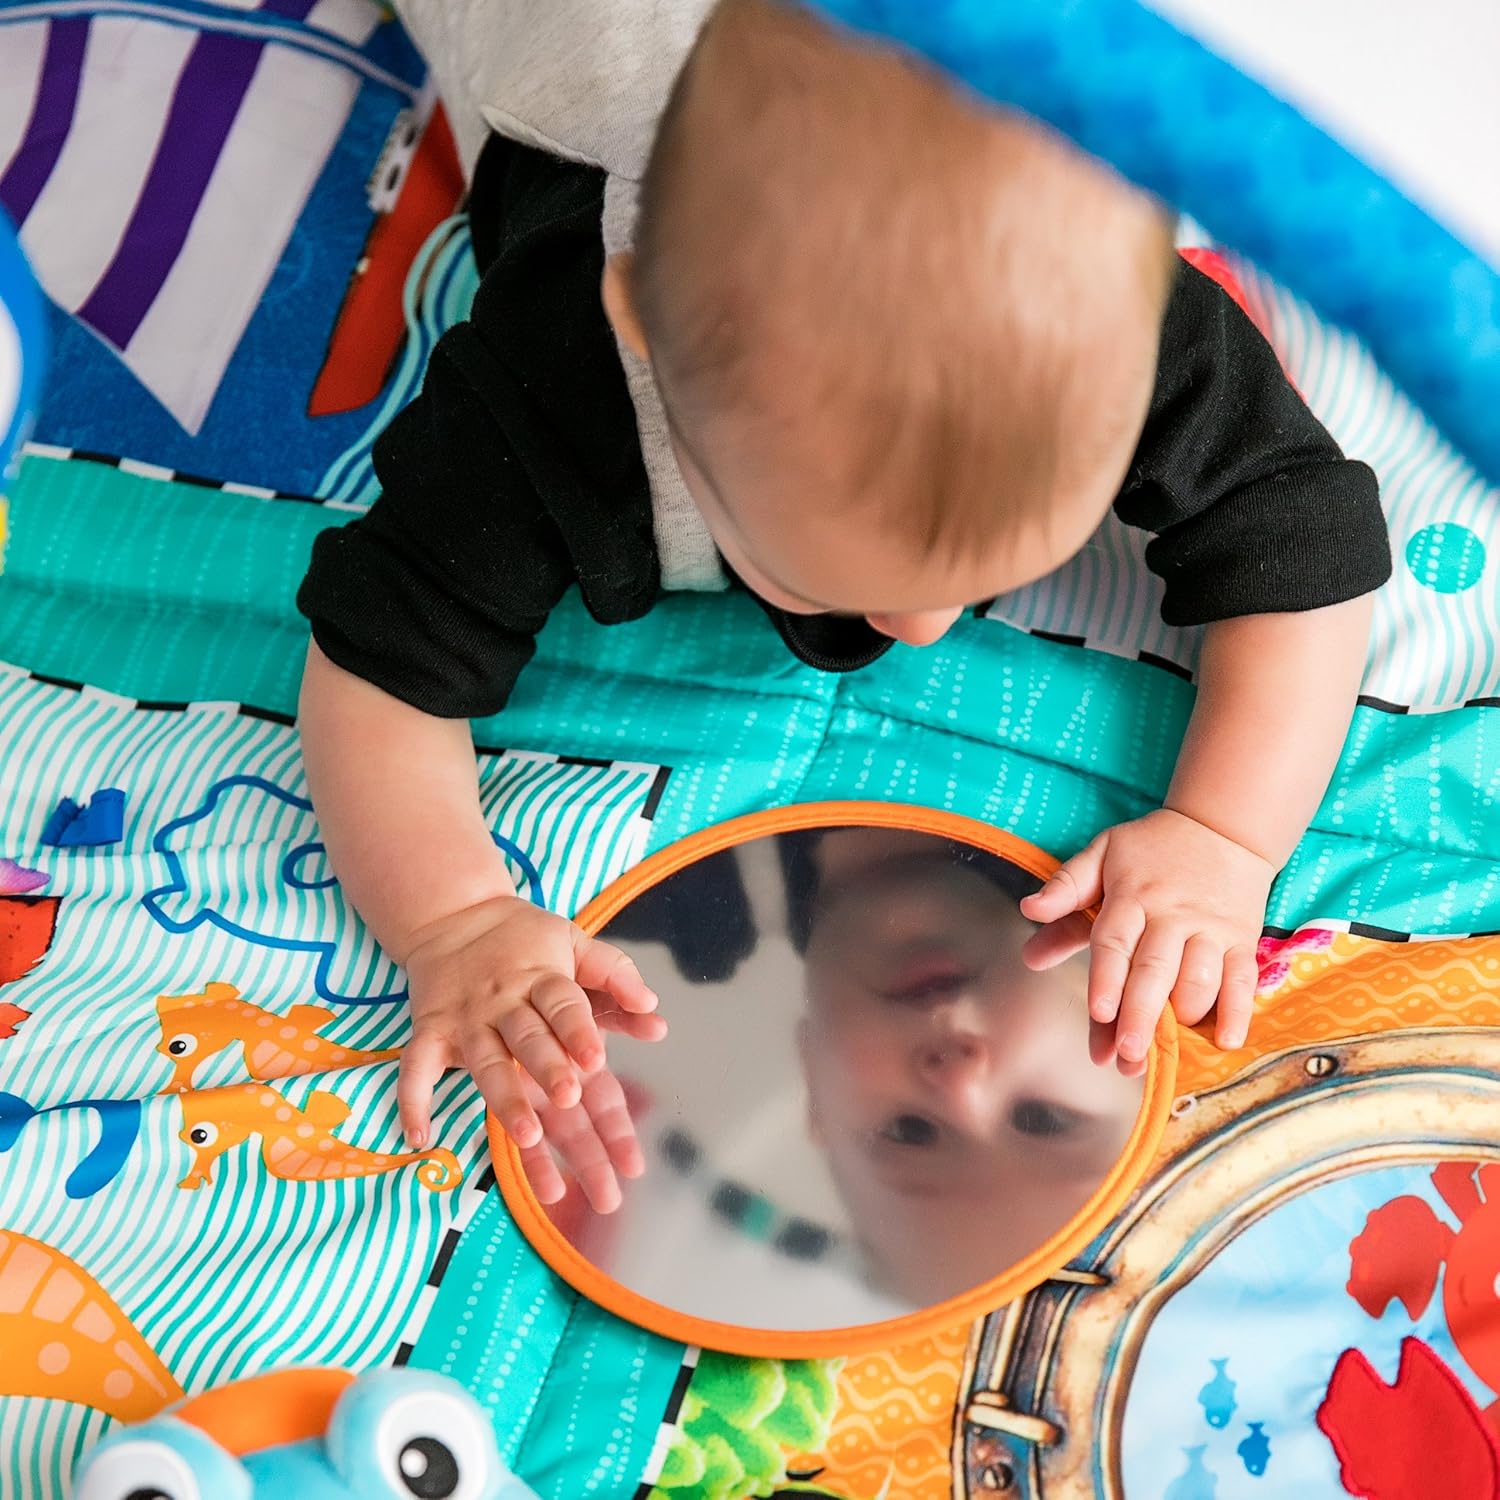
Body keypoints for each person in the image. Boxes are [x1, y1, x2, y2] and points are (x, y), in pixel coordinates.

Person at [294, 0, 1390, 1190]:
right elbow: (375, 676)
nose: (920, 633)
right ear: (642, 328)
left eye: (997, 566)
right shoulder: (553, 394)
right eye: (832, 580)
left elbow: (1303, 543)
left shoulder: (1113, 318)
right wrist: (454, 921)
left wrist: (1226, 837)